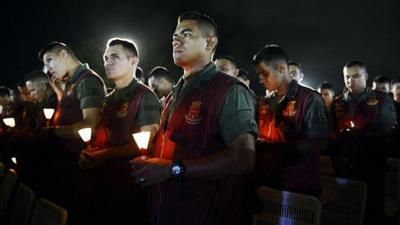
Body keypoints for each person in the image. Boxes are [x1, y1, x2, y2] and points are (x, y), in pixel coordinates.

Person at [131, 11, 258, 225]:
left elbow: (243, 159)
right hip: (165, 208)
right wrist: (151, 158)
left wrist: (172, 169)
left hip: (203, 212)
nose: (176, 40)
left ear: (210, 42)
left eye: (186, 34)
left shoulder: (228, 90)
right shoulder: (173, 95)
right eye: (174, 36)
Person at [78, 38, 161, 225]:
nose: (108, 62)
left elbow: (146, 143)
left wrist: (105, 154)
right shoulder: (107, 99)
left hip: (128, 185)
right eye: (106, 58)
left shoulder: (144, 96)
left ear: (133, 61)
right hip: (101, 182)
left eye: (115, 57)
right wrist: (89, 152)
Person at [38, 41, 106, 220]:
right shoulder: (70, 83)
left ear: (64, 53)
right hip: (65, 163)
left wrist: (52, 131)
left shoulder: (87, 81)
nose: (47, 69)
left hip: (77, 165)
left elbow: (89, 127)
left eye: (49, 60)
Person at [253, 44, 328, 197]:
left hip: (298, 186)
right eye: (258, 75)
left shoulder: (309, 99)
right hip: (268, 183)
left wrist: (277, 148)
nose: (260, 80)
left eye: (264, 74)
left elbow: (319, 144)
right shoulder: (264, 103)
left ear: (281, 68)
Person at [331, 60, 397, 225]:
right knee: (346, 209)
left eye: (355, 76)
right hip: (344, 166)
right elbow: (330, 130)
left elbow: (389, 130)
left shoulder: (380, 99)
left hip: (371, 165)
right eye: (347, 77)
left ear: (366, 76)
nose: (350, 81)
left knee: (371, 211)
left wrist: (365, 135)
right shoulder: (338, 102)